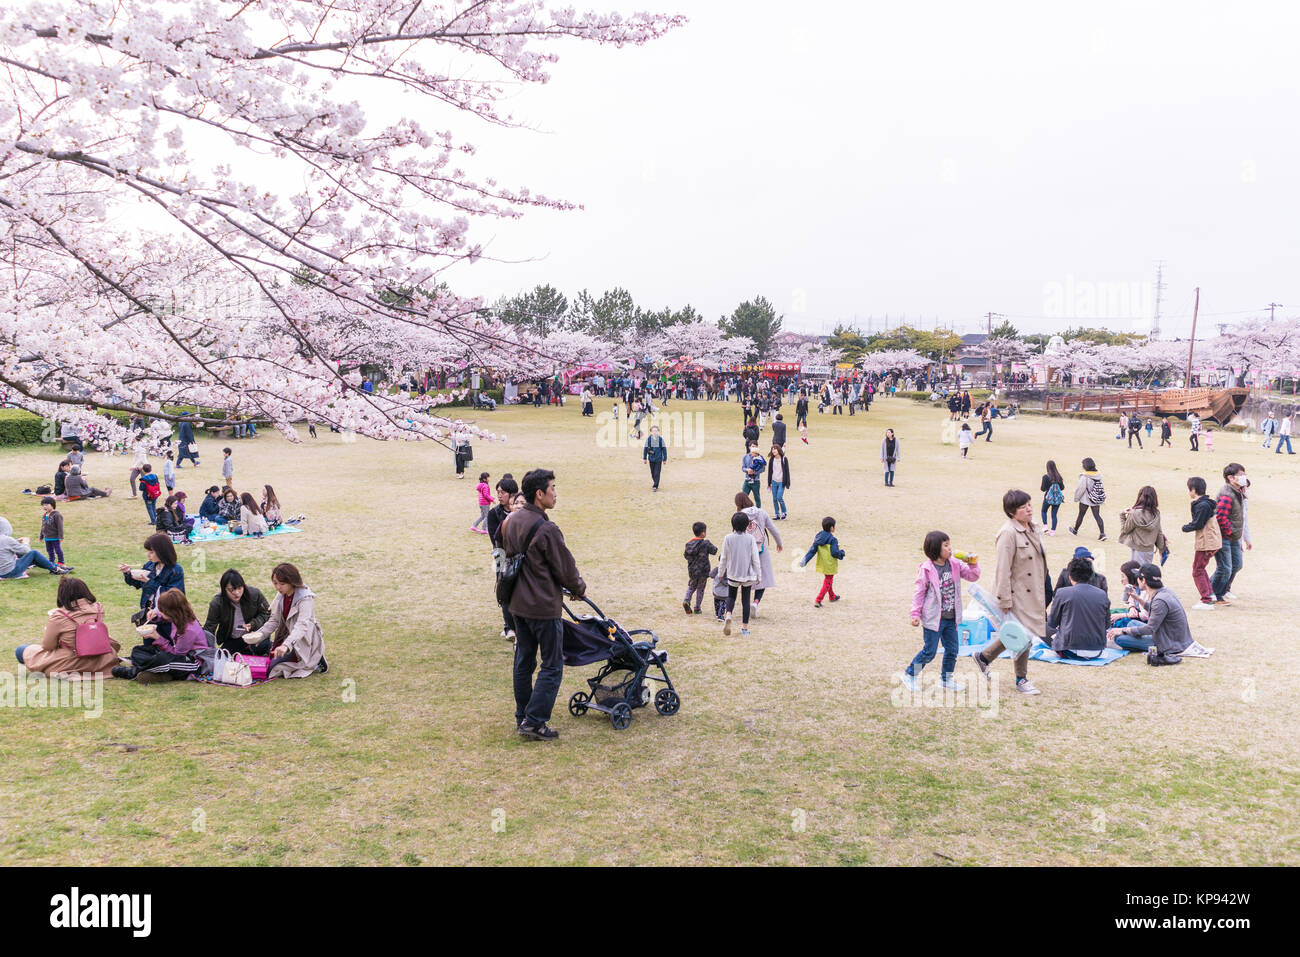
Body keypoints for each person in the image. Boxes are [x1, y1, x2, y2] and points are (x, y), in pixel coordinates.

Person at [502, 469, 585, 740]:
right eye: (552, 488)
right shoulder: (546, 529)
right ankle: (535, 721)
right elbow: (565, 566)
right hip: (542, 606)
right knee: (551, 664)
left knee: (524, 661)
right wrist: (578, 589)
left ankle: (522, 715)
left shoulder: (511, 521)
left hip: (518, 605)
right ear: (539, 494)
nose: (555, 493)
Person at [972, 489, 1047, 696]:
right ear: (1012, 512)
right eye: (1023, 507)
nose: (1029, 509)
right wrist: (1004, 599)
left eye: (1029, 504)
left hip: (1033, 593)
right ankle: (1021, 679)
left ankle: (984, 657)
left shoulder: (1034, 528)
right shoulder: (1008, 533)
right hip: (1016, 594)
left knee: (1021, 634)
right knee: (1024, 636)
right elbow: (1002, 569)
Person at [902, 530, 979, 690]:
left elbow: (972, 576)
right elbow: (919, 592)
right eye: (946, 545)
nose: (950, 548)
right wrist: (915, 614)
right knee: (929, 651)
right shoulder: (927, 569)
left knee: (952, 650)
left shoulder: (955, 564)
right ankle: (910, 674)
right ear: (935, 549)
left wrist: (972, 563)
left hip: (951, 617)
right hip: (933, 618)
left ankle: (945, 679)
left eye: (949, 544)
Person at [16, 576, 121, 678]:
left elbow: (48, 646)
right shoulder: (98, 608)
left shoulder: (59, 616)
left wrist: (50, 632)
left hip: (71, 662)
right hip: (101, 658)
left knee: (21, 650)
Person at [241, 563, 329, 679]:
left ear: (292, 582)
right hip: (286, 635)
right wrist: (259, 634)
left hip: (301, 639)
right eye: (275, 583)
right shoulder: (281, 595)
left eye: (282, 584)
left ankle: (315, 657)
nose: (278, 587)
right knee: (261, 652)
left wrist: (286, 645)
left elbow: (301, 626)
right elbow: (274, 620)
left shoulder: (305, 598)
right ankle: (311, 657)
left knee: (273, 669)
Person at [113, 587, 210, 682]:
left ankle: (133, 673)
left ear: (172, 612)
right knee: (138, 651)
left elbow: (177, 655)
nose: (160, 612)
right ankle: (163, 674)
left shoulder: (188, 630)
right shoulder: (179, 617)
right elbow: (165, 618)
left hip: (192, 663)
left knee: (161, 659)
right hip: (175, 656)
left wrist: (157, 637)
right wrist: (155, 616)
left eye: (162, 610)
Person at [1107, 565, 1198, 664]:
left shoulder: (1160, 600)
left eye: (1138, 577)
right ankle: (1138, 642)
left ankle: (1148, 648)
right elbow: (1154, 610)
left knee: (1119, 639)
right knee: (1132, 623)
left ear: (1144, 580)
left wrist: (1122, 630)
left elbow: (1150, 629)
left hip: (1169, 642)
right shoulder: (1165, 592)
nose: (1137, 580)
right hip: (1170, 635)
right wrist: (1137, 598)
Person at [1047, 557, 1110, 660]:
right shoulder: (1102, 594)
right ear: (1090, 575)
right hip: (1097, 649)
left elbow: (1052, 623)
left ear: (1070, 576)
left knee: (1042, 627)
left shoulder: (1062, 593)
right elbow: (1106, 624)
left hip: (1069, 649)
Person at [120, 535, 185, 629]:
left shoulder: (175, 570)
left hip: (167, 615)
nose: (148, 555)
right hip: (148, 613)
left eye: (151, 552)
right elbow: (137, 583)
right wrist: (128, 572)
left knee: (166, 641)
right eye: (147, 551)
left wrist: (149, 582)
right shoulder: (150, 565)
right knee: (149, 641)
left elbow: (173, 595)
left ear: (162, 552)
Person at [202, 568, 272, 653]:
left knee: (261, 648)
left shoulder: (254, 594)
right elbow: (209, 627)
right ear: (224, 589)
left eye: (239, 588)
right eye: (231, 590)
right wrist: (206, 650)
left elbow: (267, 613)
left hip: (255, 634)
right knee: (224, 656)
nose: (237, 593)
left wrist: (253, 624)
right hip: (233, 639)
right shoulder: (217, 603)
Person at [736, 491, 782, 616]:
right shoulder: (761, 512)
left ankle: (746, 606)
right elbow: (773, 530)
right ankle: (755, 603)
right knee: (762, 578)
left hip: (745, 550)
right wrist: (779, 543)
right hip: (761, 549)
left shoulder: (739, 515)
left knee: (745, 578)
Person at [487, 475, 519, 641]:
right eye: (497, 492)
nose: (499, 495)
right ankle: (509, 627)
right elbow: (495, 539)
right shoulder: (494, 514)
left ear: (512, 494)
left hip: (519, 557)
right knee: (505, 592)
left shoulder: (522, 511)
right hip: (501, 557)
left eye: (502, 492)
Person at [717, 511, 760, 636]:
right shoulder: (751, 538)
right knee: (745, 601)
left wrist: (720, 572)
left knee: (731, 596)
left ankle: (729, 614)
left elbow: (724, 557)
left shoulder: (728, 538)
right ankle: (744, 628)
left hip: (733, 573)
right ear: (747, 525)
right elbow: (755, 558)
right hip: (748, 574)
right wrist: (759, 575)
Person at [1181, 476, 1221, 610]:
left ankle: (1206, 600)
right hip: (1210, 541)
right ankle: (1210, 593)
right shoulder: (1207, 503)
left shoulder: (1202, 505)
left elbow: (1198, 523)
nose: (1189, 493)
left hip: (1206, 542)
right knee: (1201, 568)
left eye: (1189, 490)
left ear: (1193, 490)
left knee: (1197, 570)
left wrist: (1185, 527)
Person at [1211, 463, 1248, 604]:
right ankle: (1213, 594)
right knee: (1225, 567)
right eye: (1240, 475)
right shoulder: (1227, 494)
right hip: (1225, 536)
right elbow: (1220, 517)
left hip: (1234, 537)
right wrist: (1230, 531)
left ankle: (1215, 589)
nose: (1244, 477)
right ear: (1230, 478)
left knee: (1237, 564)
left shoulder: (1238, 491)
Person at [0, 516, 72, 578]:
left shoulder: (4, 540)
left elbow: (4, 547)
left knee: (31, 557)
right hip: (9, 572)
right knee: (33, 553)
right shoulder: (6, 539)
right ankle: (56, 569)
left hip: (2, 572)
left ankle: (56, 567)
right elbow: (26, 551)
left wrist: (16, 541)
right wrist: (25, 542)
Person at [800, 516, 845, 607]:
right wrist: (842, 552)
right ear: (832, 528)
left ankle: (832, 596)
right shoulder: (833, 540)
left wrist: (804, 561)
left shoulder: (819, 537)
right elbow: (834, 553)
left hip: (822, 563)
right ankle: (818, 599)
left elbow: (812, 550)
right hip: (830, 564)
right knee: (828, 580)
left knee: (828, 579)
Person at [1118, 485, 1168, 567]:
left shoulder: (1134, 513)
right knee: (1146, 575)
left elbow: (1125, 530)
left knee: (1137, 576)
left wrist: (1122, 515)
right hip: (1149, 551)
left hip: (1137, 550)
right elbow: (1159, 533)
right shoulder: (1156, 514)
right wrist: (1162, 550)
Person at [683, 521, 718, 615]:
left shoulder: (689, 544)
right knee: (700, 589)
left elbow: (686, 556)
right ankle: (697, 608)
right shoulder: (705, 543)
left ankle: (686, 600)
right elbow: (714, 551)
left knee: (691, 587)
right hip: (703, 571)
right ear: (703, 533)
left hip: (693, 572)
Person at [1067, 457, 1107, 540]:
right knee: (1097, 515)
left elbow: (1080, 489)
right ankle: (1102, 534)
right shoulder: (1098, 475)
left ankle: (1075, 530)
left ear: (1085, 466)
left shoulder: (1085, 476)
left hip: (1085, 499)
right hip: (1095, 498)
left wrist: (1076, 498)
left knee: (1081, 515)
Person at [1039, 460, 1065, 535]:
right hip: (1057, 499)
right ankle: (1053, 531)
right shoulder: (1059, 477)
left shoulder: (1045, 477)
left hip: (1048, 498)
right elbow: (1062, 488)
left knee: (1044, 511)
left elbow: (1042, 489)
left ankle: (1045, 526)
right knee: (1054, 515)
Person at [766, 443, 791, 520]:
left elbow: (787, 471)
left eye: (775, 449)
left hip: (781, 482)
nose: (773, 451)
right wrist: (769, 483)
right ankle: (776, 514)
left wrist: (787, 483)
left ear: (778, 450)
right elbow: (770, 471)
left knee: (779, 497)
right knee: (774, 498)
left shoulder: (784, 459)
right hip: (774, 481)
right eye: (772, 449)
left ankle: (784, 512)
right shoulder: (772, 459)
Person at [40, 496, 66, 567]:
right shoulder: (44, 515)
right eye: (43, 505)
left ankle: (61, 562)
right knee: (49, 550)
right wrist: (41, 536)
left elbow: (60, 527)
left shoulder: (57, 515)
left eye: (46, 505)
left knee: (58, 550)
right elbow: (43, 526)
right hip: (47, 537)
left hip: (55, 537)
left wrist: (61, 536)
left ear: (52, 505)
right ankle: (51, 561)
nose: (44, 507)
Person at [643, 425, 668, 491]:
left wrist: (664, 459)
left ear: (658, 432)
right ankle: (655, 482)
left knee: (657, 473)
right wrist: (644, 458)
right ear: (651, 432)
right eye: (653, 431)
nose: (654, 432)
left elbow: (664, 449)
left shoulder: (660, 439)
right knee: (653, 473)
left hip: (658, 459)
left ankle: (655, 486)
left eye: (656, 431)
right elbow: (645, 448)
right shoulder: (649, 439)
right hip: (651, 459)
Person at [741, 443, 765, 509]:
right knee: (743, 496)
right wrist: (747, 470)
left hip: (756, 481)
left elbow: (763, 469)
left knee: (757, 497)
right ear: (749, 447)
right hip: (747, 480)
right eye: (752, 446)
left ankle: (758, 511)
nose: (753, 448)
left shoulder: (760, 458)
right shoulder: (745, 457)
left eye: (755, 446)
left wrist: (754, 472)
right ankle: (743, 511)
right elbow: (743, 468)